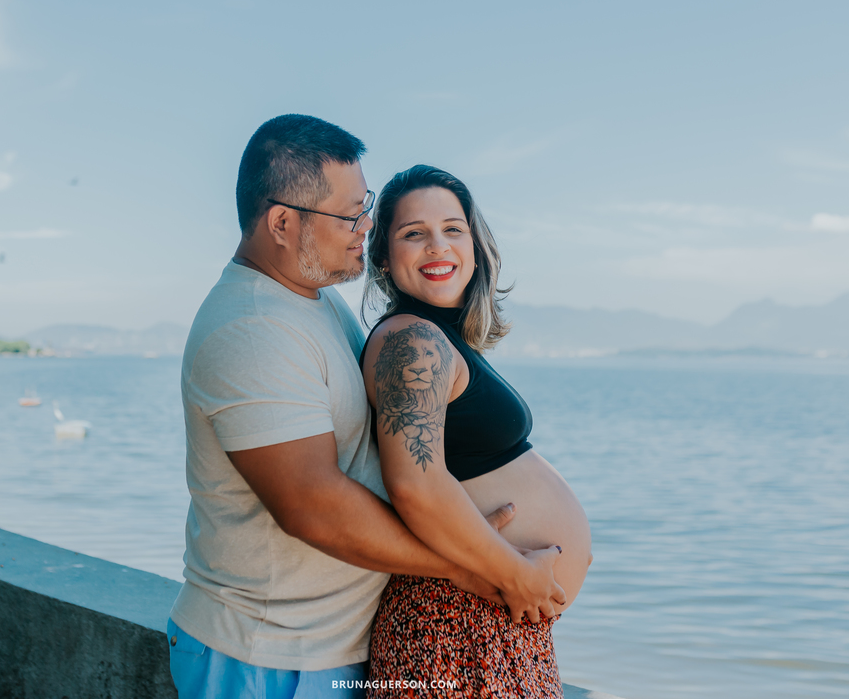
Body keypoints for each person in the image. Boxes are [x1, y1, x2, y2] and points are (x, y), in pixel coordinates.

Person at [168, 115, 562, 699]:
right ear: (282, 221)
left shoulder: (313, 300)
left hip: (325, 647)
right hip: (267, 658)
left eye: (367, 205)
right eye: (350, 213)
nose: (366, 225)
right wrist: (482, 568)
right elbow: (313, 507)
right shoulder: (252, 330)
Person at [361, 165, 592, 698]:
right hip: (455, 628)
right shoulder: (411, 343)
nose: (437, 246)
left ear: (475, 242)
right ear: (382, 257)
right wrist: (514, 572)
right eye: (413, 233)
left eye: (453, 228)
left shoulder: (440, 340)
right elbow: (415, 485)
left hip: (489, 624)